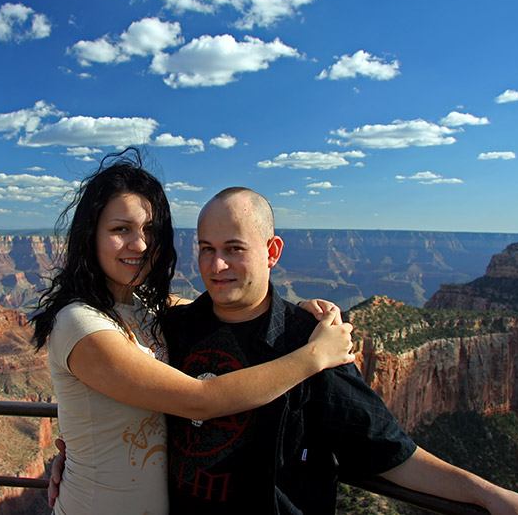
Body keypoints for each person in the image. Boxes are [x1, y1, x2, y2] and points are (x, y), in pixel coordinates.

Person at [163, 187, 518, 515]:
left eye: (234, 248)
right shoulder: (172, 332)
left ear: (272, 251)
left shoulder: (313, 343)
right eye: (205, 248)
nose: (216, 264)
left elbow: (388, 452)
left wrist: (488, 494)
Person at [31, 149, 356, 515]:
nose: (139, 244)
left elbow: (222, 306)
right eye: (120, 229)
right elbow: (199, 399)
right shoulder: (80, 322)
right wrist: (315, 355)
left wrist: (295, 309)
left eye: (150, 230)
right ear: (91, 234)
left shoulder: (145, 306)